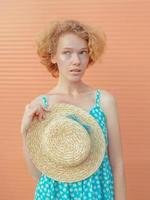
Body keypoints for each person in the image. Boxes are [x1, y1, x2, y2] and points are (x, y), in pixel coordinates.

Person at [21, 19, 127, 200]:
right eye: (67, 53)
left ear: (89, 55)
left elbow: (117, 164)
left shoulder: (104, 101)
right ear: (53, 56)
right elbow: (38, 175)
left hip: (98, 192)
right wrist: (24, 131)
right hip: (53, 194)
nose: (76, 61)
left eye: (82, 52)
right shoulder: (42, 105)